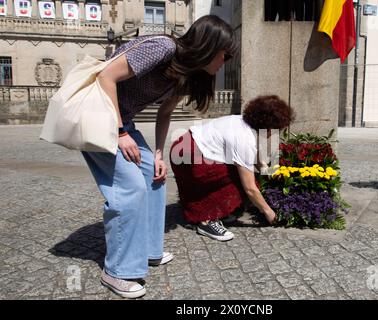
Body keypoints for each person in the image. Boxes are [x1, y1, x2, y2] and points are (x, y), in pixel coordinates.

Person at [82, 15, 237, 298]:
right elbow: (106, 76)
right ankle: (117, 271)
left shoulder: (187, 74)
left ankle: (149, 251)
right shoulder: (163, 48)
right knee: (130, 187)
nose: (225, 62)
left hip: (122, 124)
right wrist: (119, 132)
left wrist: (158, 155)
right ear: (210, 45)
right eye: (225, 55)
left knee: (155, 178)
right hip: (96, 120)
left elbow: (165, 113)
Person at [170, 95, 295, 241]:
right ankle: (207, 220)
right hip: (189, 159)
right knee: (240, 179)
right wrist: (270, 213)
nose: (275, 134)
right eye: (276, 130)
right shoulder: (245, 139)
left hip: (182, 147)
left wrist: (267, 170)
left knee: (240, 173)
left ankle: (215, 209)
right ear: (268, 128)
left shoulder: (241, 121)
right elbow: (250, 188)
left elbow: (257, 157)